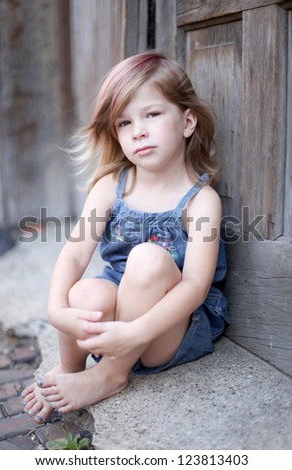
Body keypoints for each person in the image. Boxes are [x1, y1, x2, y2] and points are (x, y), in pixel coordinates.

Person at [22, 51, 229, 423]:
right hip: (117, 322)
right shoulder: (109, 186)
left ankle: (110, 375)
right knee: (84, 291)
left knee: (148, 257)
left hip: (165, 329)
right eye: (124, 123)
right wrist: (57, 311)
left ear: (187, 121)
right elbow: (73, 255)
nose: (138, 131)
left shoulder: (201, 200)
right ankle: (72, 367)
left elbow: (196, 286)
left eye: (152, 114)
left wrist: (135, 332)